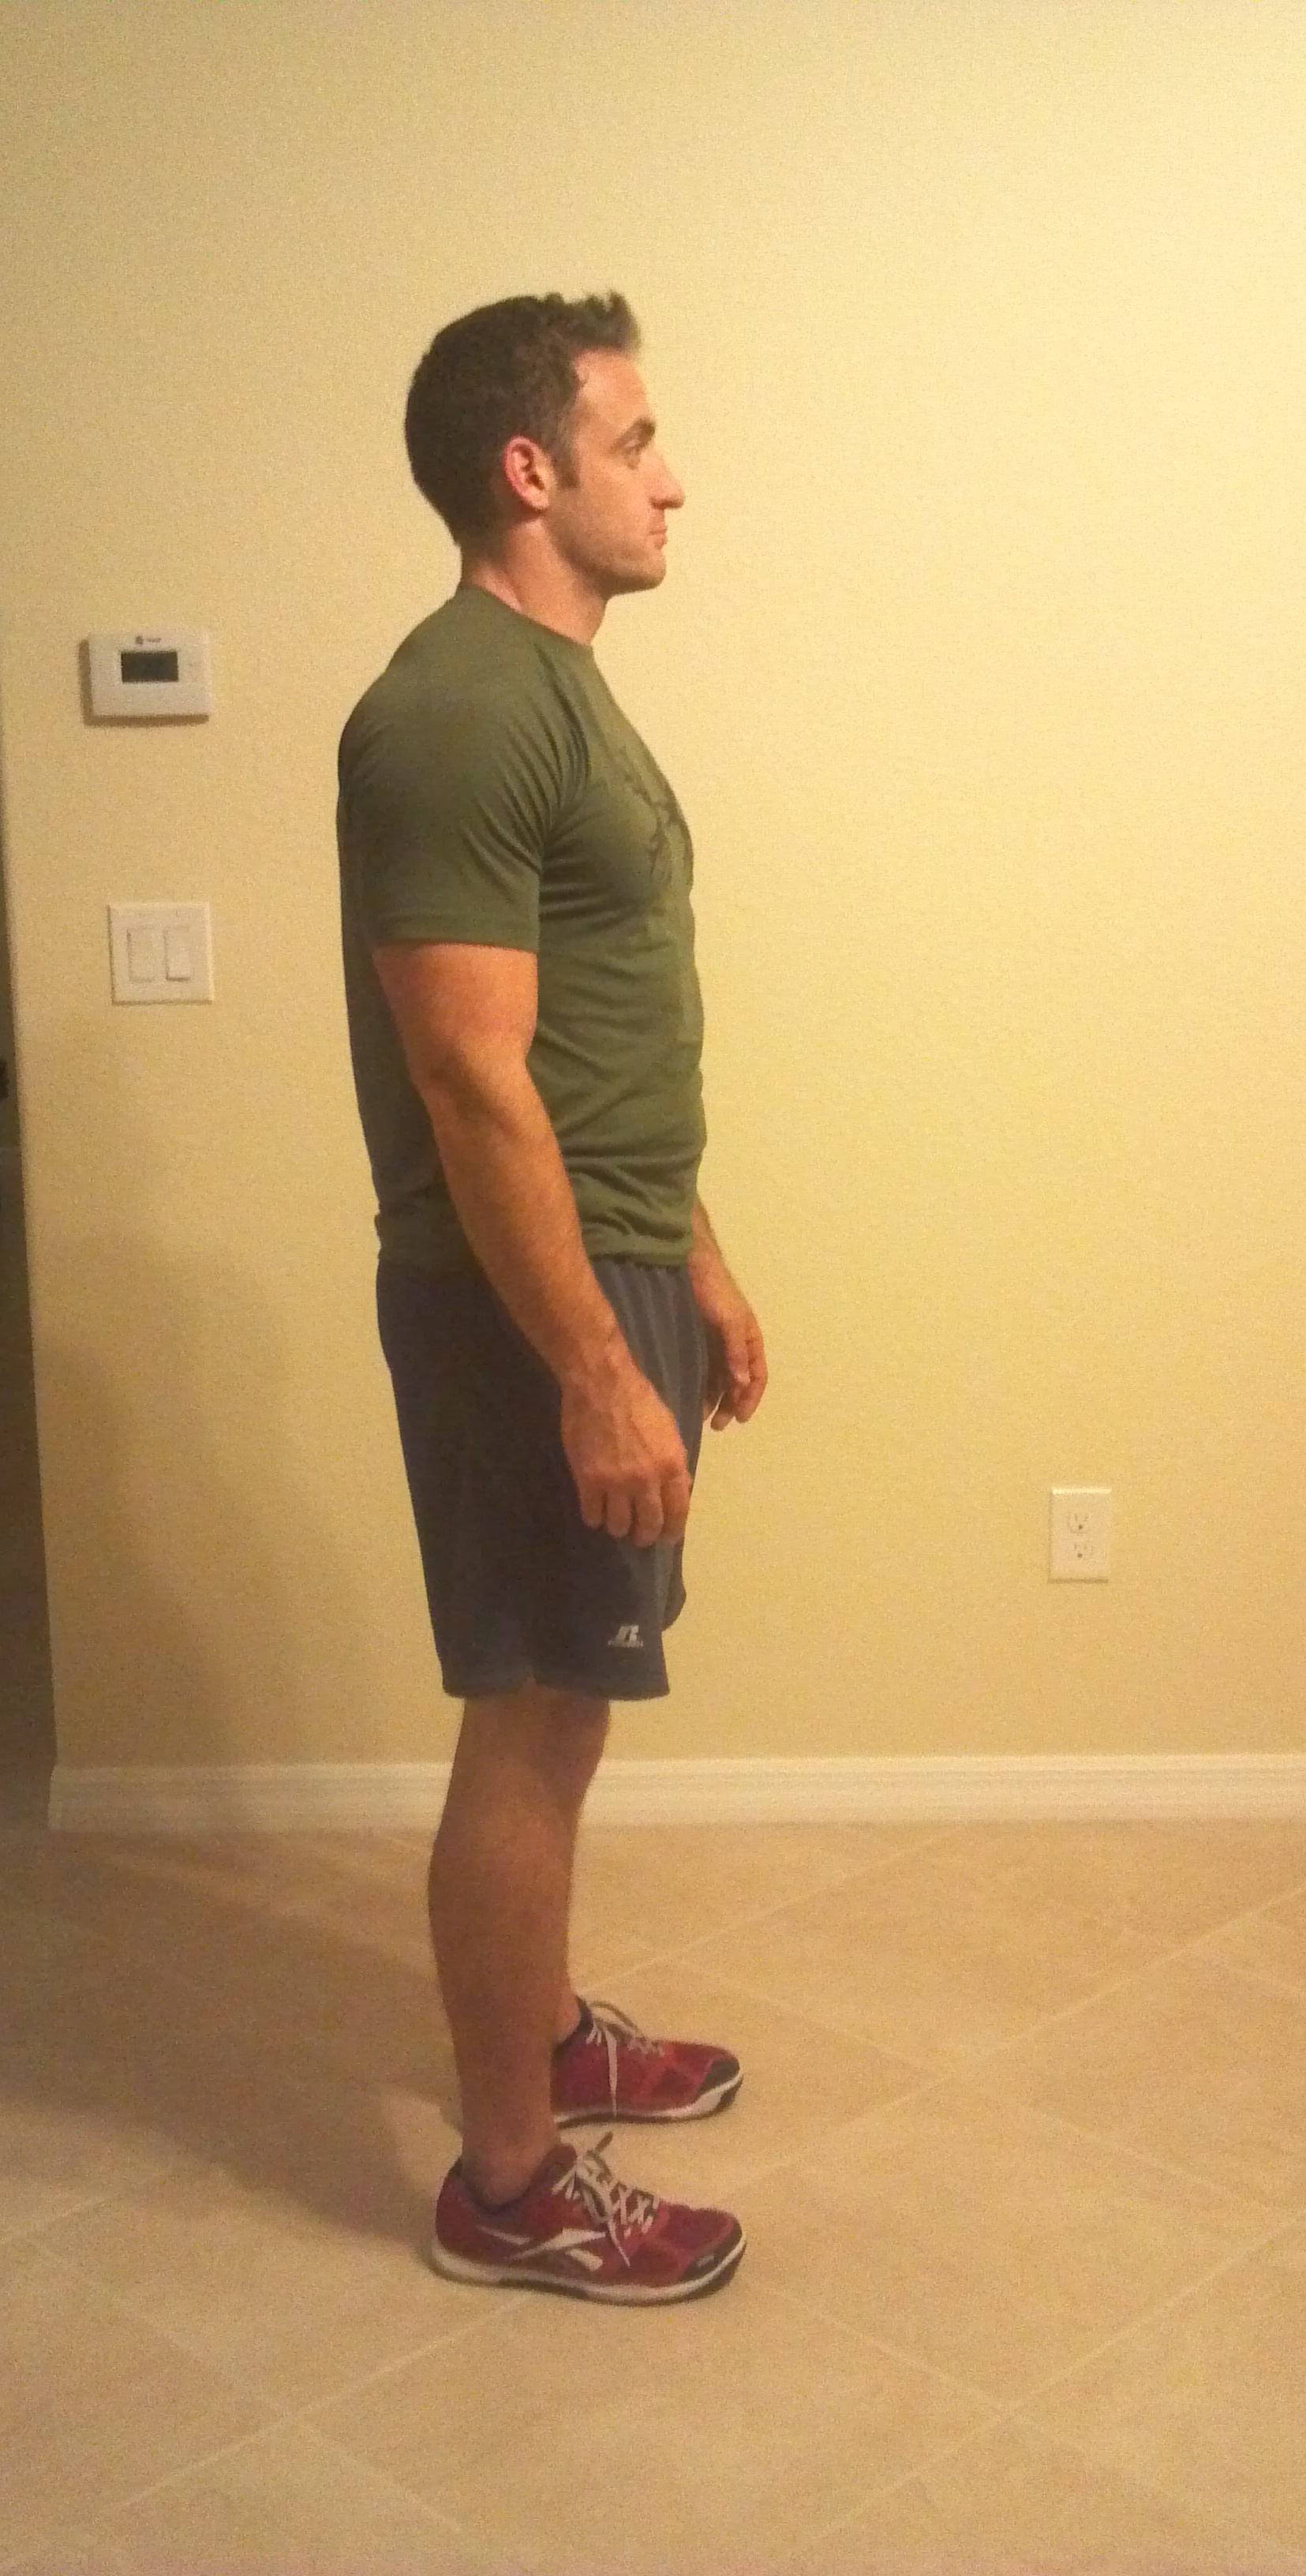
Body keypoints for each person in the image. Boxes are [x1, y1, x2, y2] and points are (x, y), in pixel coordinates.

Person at [336, 293, 767, 2305]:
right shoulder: (456, 709)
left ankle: (542, 2027)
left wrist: (696, 1259)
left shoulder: (556, 690)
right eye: (637, 438)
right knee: (527, 1716)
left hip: (611, 1261)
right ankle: (507, 2180)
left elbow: (597, 1039)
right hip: (526, 1304)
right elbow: (468, 1073)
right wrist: (593, 1364)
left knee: (571, 1704)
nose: (673, 480)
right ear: (532, 470)